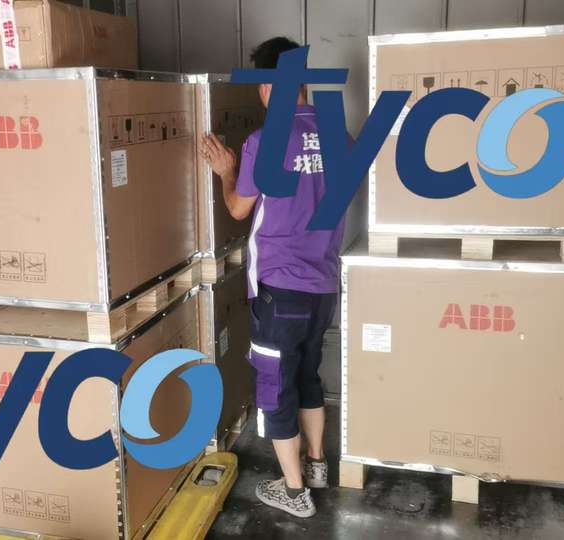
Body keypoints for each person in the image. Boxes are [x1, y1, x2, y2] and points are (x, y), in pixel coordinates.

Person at [199, 36, 345, 518]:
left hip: (281, 288)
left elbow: (239, 209)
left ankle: (294, 491)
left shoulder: (264, 142)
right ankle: (317, 465)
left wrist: (226, 170)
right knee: (307, 376)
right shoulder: (338, 135)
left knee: (274, 390)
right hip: (323, 285)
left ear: (266, 86)